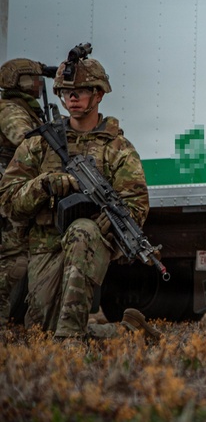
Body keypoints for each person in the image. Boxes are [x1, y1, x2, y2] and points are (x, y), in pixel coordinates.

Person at [0, 53, 159, 342]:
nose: (72, 98)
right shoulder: (39, 143)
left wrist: (103, 224)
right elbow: (9, 201)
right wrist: (45, 185)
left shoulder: (117, 148)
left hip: (89, 245)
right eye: (65, 92)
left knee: (82, 230)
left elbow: (136, 205)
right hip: (45, 245)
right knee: (40, 335)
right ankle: (128, 334)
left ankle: (71, 343)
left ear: (98, 94)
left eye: (81, 91)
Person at [0, 59, 48, 322]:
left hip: (19, 187)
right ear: (22, 81)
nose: (40, 85)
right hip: (10, 189)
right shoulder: (11, 110)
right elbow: (26, 139)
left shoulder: (27, 109)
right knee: (12, 260)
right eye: (36, 78)